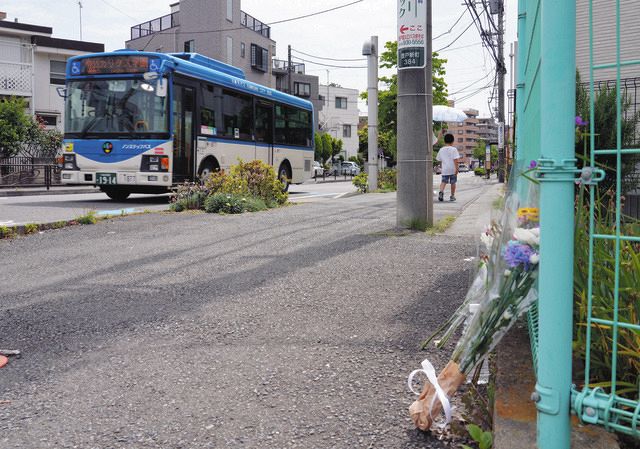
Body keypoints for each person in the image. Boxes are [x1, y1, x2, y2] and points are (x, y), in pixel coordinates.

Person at [436, 133, 460, 202]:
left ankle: (441, 192)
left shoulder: (441, 149)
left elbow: (439, 160)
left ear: (444, 141)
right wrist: (457, 168)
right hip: (452, 169)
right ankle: (452, 196)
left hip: (445, 169)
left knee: (443, 182)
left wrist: (441, 168)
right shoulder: (454, 149)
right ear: (452, 141)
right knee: (453, 182)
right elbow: (455, 160)